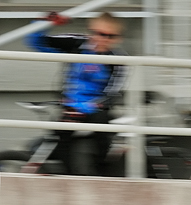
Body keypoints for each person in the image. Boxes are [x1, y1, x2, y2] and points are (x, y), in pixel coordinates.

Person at [25, 11, 128, 176]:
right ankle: (70, 178)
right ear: (90, 31)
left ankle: (103, 175)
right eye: (99, 33)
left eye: (110, 36)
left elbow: (112, 94)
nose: (103, 39)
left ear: (118, 39)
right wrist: (44, 21)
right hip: (70, 105)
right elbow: (38, 43)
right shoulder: (77, 43)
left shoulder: (119, 59)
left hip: (96, 109)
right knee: (59, 139)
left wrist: (84, 108)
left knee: (103, 127)